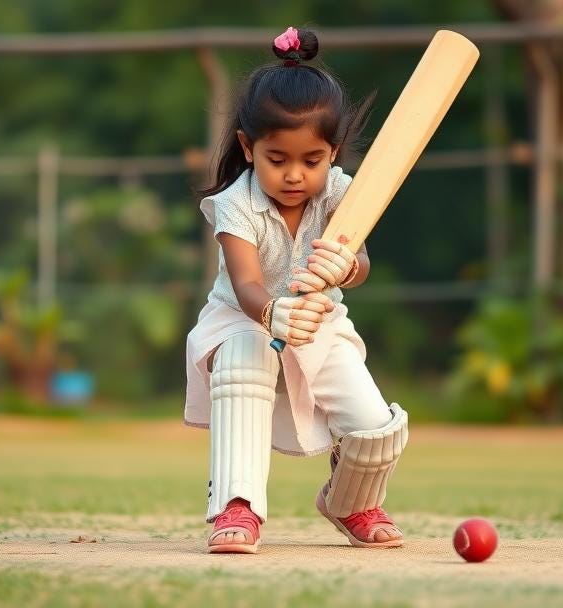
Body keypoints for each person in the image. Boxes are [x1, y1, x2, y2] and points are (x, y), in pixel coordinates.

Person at [184, 26, 409, 555]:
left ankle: (350, 500)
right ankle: (236, 507)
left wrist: (346, 267)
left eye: (311, 160)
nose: (294, 175)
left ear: (332, 152)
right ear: (248, 146)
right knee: (243, 361)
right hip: (243, 319)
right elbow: (245, 283)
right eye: (277, 159)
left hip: (321, 324)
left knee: (376, 430)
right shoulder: (236, 201)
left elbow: (363, 264)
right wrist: (270, 315)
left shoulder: (342, 192)